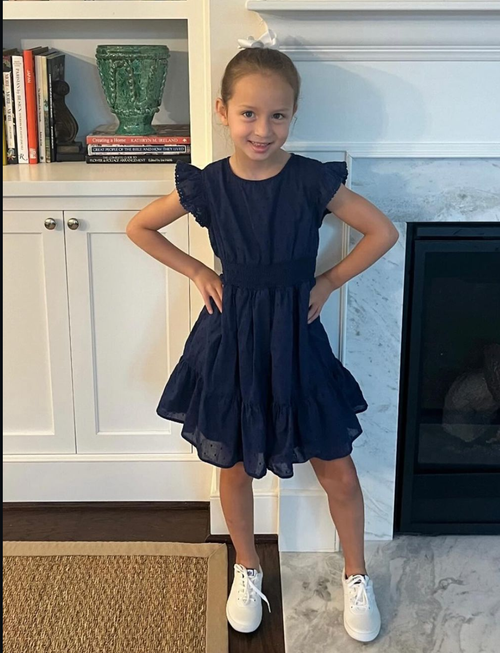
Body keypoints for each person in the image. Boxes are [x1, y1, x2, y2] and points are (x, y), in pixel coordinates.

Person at [126, 30, 398, 642]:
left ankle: (356, 573)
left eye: (278, 115)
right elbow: (140, 227)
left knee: (338, 467)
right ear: (223, 111)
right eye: (248, 113)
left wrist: (328, 281)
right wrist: (199, 271)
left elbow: (382, 232)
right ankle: (246, 566)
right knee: (233, 462)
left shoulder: (311, 181)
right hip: (233, 339)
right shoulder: (208, 185)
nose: (262, 128)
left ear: (294, 116)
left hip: (297, 337)